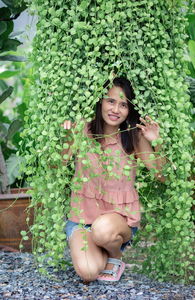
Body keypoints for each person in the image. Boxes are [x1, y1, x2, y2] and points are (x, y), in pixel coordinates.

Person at [63, 77, 165, 283]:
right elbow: (56, 165)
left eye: (123, 104)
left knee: (102, 230)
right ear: (100, 101)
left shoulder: (133, 136)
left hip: (116, 223)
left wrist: (157, 141)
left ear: (129, 109)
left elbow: (161, 176)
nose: (116, 109)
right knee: (88, 273)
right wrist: (66, 138)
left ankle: (115, 254)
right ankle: (97, 250)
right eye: (111, 101)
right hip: (83, 219)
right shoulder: (83, 130)